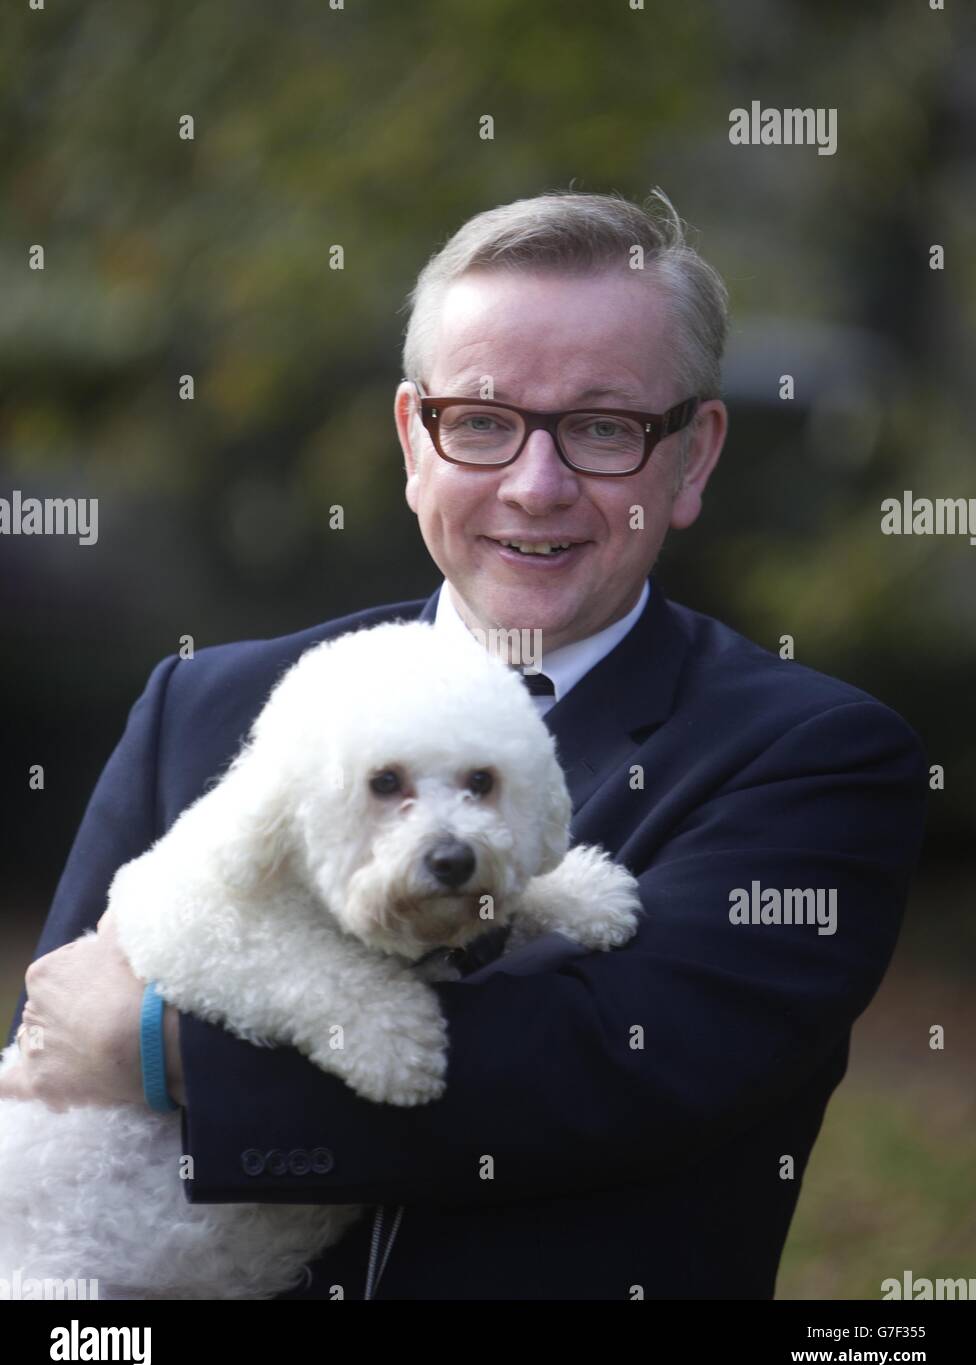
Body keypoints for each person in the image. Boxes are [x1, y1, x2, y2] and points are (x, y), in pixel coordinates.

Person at [3, 190, 927, 1300]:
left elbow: (609, 1065)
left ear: (690, 459)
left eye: (601, 426)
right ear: (412, 439)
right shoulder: (204, 702)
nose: (535, 485)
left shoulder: (813, 756)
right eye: (482, 422)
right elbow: (57, 1060)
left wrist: (165, 1049)